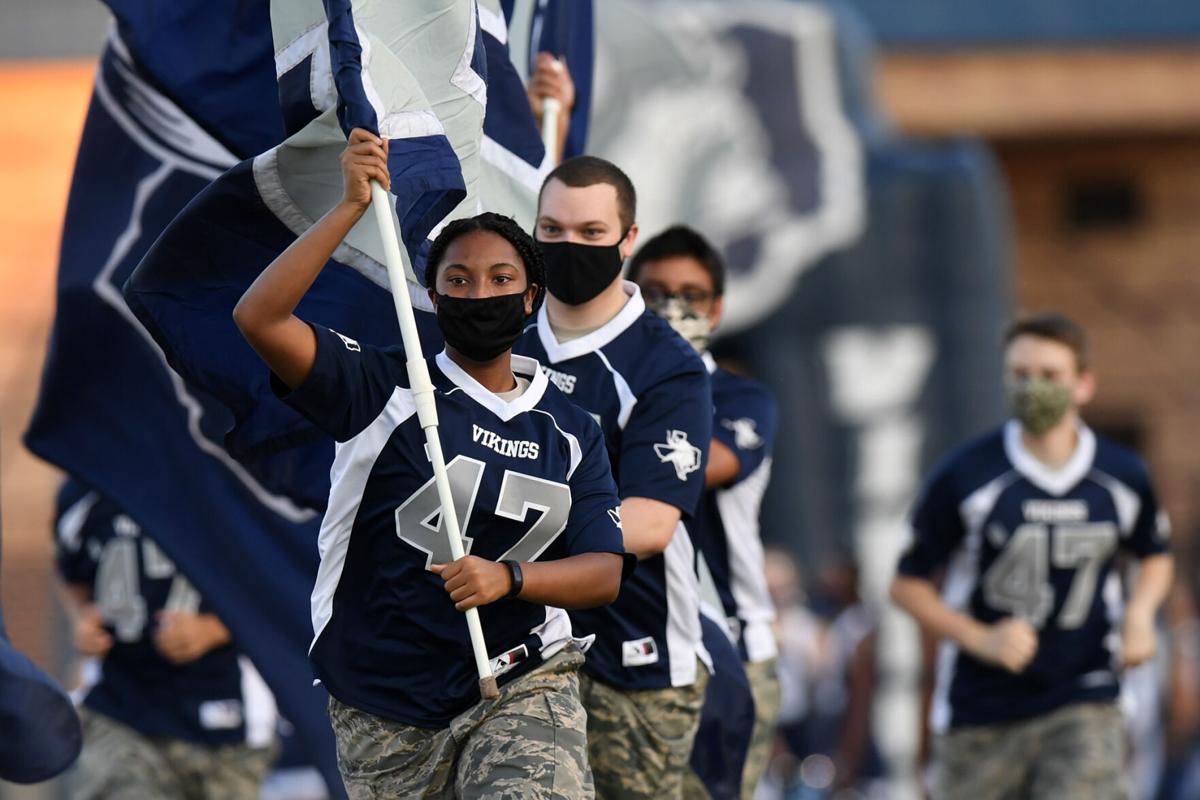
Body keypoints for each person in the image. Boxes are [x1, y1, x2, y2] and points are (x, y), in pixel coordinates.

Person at [232, 128, 630, 799]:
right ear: (434, 297)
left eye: (502, 279)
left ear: (531, 296)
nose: (481, 293)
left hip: (521, 676)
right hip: (385, 695)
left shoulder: (571, 426)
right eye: (459, 280)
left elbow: (603, 574)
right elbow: (260, 318)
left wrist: (509, 578)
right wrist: (348, 208)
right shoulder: (382, 387)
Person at [890, 311, 1174, 800]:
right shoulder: (967, 473)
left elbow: (1155, 553)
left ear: (1083, 384)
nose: (1033, 387)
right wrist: (979, 637)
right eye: (1020, 375)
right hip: (981, 706)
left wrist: (1141, 613)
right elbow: (906, 584)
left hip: (1084, 692)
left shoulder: (1121, 474)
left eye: (1049, 376)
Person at [514, 158, 714, 799]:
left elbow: (651, 524)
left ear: (628, 241)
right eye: (553, 229)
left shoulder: (667, 366)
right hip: (519, 650)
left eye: (592, 233)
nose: (570, 247)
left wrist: (504, 544)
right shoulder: (499, 333)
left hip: (637, 656)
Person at [628, 225, 782, 799]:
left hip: (731, 646)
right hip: (629, 644)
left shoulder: (744, 399)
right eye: (654, 291)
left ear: (716, 309)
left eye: (690, 295)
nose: (672, 306)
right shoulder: (609, 386)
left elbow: (700, 464)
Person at [54, 479, 278, 799]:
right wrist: (81, 619)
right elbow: (69, 573)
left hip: (224, 712)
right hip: (119, 704)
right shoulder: (85, 486)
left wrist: (214, 629)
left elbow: (280, 582)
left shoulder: (226, 475)